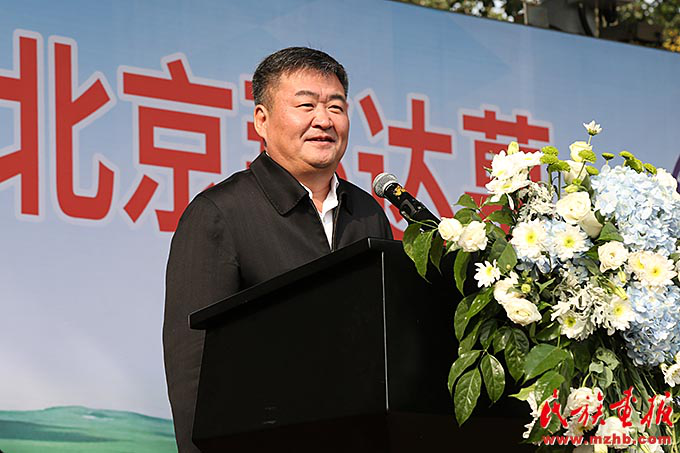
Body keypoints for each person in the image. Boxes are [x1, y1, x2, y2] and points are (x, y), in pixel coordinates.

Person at [163, 47, 393, 452]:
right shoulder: (220, 213)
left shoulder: (368, 212)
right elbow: (192, 366)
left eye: (336, 107)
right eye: (306, 105)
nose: (324, 120)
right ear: (262, 121)